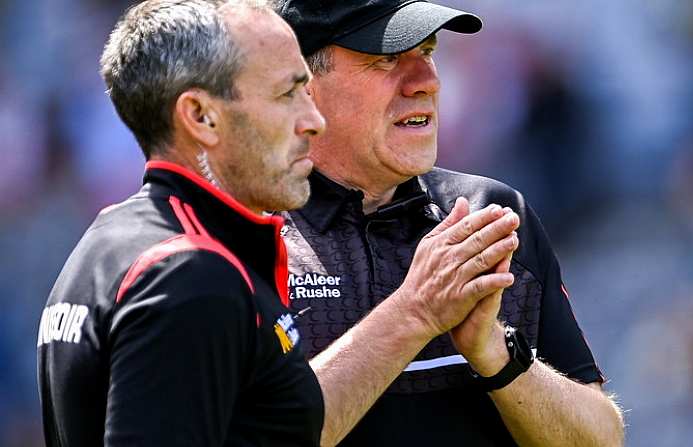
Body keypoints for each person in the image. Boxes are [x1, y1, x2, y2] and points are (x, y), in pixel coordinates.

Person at [36, 1, 520, 445]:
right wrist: (417, 312)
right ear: (201, 116)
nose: (312, 121)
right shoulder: (189, 275)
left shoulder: (106, 242)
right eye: (288, 95)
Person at [275, 0, 626, 445]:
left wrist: (498, 354)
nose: (427, 81)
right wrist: (415, 312)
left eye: (427, 51)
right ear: (304, 85)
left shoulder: (491, 215)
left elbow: (601, 440)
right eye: (386, 59)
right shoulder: (238, 233)